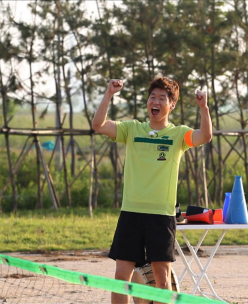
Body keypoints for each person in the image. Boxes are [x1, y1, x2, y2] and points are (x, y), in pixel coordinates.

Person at [92, 77, 212, 304]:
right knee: (121, 277)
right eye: (152, 97)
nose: (155, 102)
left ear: (171, 105)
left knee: (162, 279)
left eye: (162, 98)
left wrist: (203, 108)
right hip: (131, 213)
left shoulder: (178, 135)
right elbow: (98, 125)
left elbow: (204, 136)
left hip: (161, 216)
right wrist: (108, 94)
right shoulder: (132, 129)